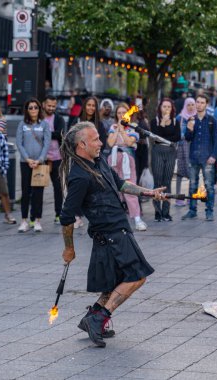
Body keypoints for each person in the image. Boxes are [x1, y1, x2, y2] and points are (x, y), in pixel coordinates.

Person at [59, 121, 166, 348]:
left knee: (115, 282)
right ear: (82, 144)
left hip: (118, 228)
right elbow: (66, 216)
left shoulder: (98, 161)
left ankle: (91, 318)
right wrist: (69, 248)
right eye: (96, 139)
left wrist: (148, 192)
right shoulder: (79, 176)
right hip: (110, 234)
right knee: (137, 277)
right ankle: (99, 319)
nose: (100, 143)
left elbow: (120, 184)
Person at [107, 103, 147, 231]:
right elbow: (110, 142)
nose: (121, 115)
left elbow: (130, 142)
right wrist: (118, 128)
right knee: (114, 189)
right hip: (113, 159)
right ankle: (115, 219)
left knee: (130, 188)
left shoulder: (133, 127)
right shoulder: (113, 127)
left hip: (127, 160)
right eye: (119, 113)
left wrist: (123, 129)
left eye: (123, 113)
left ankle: (137, 218)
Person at [181, 94, 217, 221]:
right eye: (197, 102)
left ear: (206, 105)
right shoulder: (191, 119)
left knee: (209, 185)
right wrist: (190, 129)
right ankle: (192, 210)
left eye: (202, 102)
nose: (199, 105)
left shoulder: (212, 120)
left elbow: (216, 139)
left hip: (207, 158)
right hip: (193, 157)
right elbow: (187, 138)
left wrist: (214, 156)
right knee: (193, 185)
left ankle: (209, 211)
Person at [16, 98, 51, 232]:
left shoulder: (44, 124)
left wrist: (40, 159)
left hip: (39, 163)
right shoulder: (22, 124)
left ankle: (37, 220)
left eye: (35, 107)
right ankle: (24, 220)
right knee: (25, 192)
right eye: (30, 107)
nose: (33, 110)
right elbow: (19, 143)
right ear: (27, 110)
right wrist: (27, 158)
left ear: (39, 109)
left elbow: (47, 143)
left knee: (38, 193)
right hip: (26, 163)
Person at [72, 96, 107, 229]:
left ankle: (95, 217)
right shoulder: (77, 122)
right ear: (84, 106)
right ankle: (77, 216)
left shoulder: (99, 124)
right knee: (78, 188)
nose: (91, 108)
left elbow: (102, 143)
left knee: (94, 189)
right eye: (89, 105)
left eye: (93, 106)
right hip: (79, 160)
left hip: (94, 161)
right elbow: (71, 140)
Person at [150, 98, 181, 222]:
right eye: (164, 107)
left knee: (167, 182)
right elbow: (155, 136)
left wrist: (164, 136)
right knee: (158, 181)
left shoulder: (175, 121)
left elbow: (177, 137)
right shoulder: (155, 121)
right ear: (160, 108)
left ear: (172, 109)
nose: (167, 109)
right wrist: (162, 123)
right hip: (157, 151)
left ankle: (166, 212)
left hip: (170, 152)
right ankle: (157, 212)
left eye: (169, 107)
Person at [42, 95, 65, 224]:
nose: (51, 108)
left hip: (57, 158)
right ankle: (36, 217)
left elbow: (60, 133)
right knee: (38, 188)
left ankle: (58, 214)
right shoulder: (39, 118)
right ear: (44, 104)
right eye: (49, 105)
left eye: (53, 106)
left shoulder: (59, 118)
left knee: (58, 188)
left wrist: (43, 133)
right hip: (42, 158)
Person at [0, 121, 16, 224]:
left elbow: (5, 152)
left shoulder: (0, 137)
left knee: (4, 193)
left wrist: (4, 168)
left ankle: (8, 215)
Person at [175, 97, 196, 206]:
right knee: (180, 172)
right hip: (182, 146)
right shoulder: (180, 117)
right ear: (185, 106)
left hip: (193, 146)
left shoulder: (197, 117)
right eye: (188, 104)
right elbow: (176, 132)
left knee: (192, 171)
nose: (190, 107)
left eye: (192, 104)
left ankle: (191, 196)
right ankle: (178, 197)